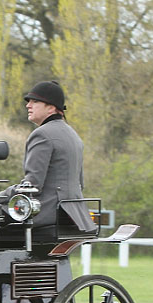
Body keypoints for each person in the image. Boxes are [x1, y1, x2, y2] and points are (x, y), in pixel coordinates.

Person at [11, 80, 95, 232]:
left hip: (46, 213)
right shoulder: (73, 135)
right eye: (29, 102)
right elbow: (80, 183)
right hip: (73, 214)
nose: (28, 105)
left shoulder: (42, 134)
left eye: (35, 102)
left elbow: (32, 185)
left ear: (51, 108)